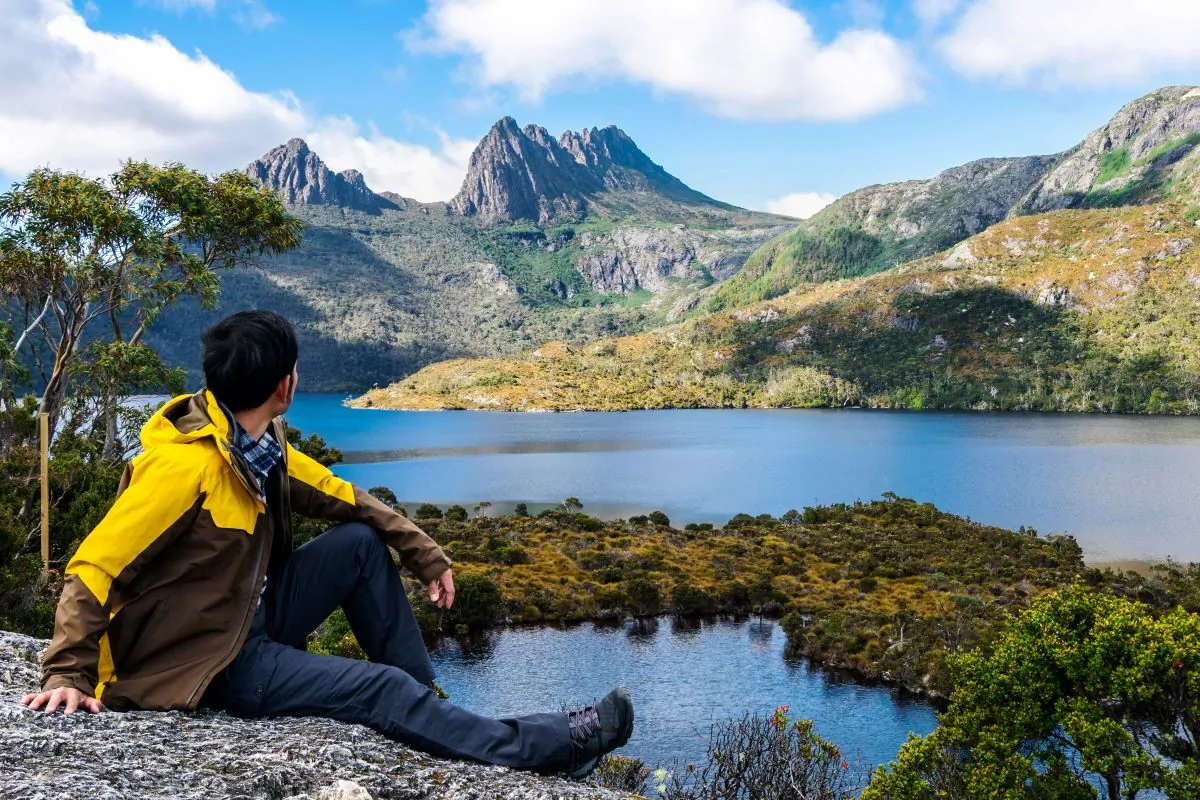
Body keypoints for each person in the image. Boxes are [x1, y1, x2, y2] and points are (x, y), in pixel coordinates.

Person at [20, 310, 632, 778]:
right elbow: (94, 566)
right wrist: (67, 672)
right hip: (207, 663)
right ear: (285, 385)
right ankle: (546, 748)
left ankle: (436, 716)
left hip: (242, 619)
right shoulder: (184, 469)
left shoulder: (254, 447)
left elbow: (342, 497)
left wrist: (424, 553)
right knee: (380, 688)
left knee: (361, 545)